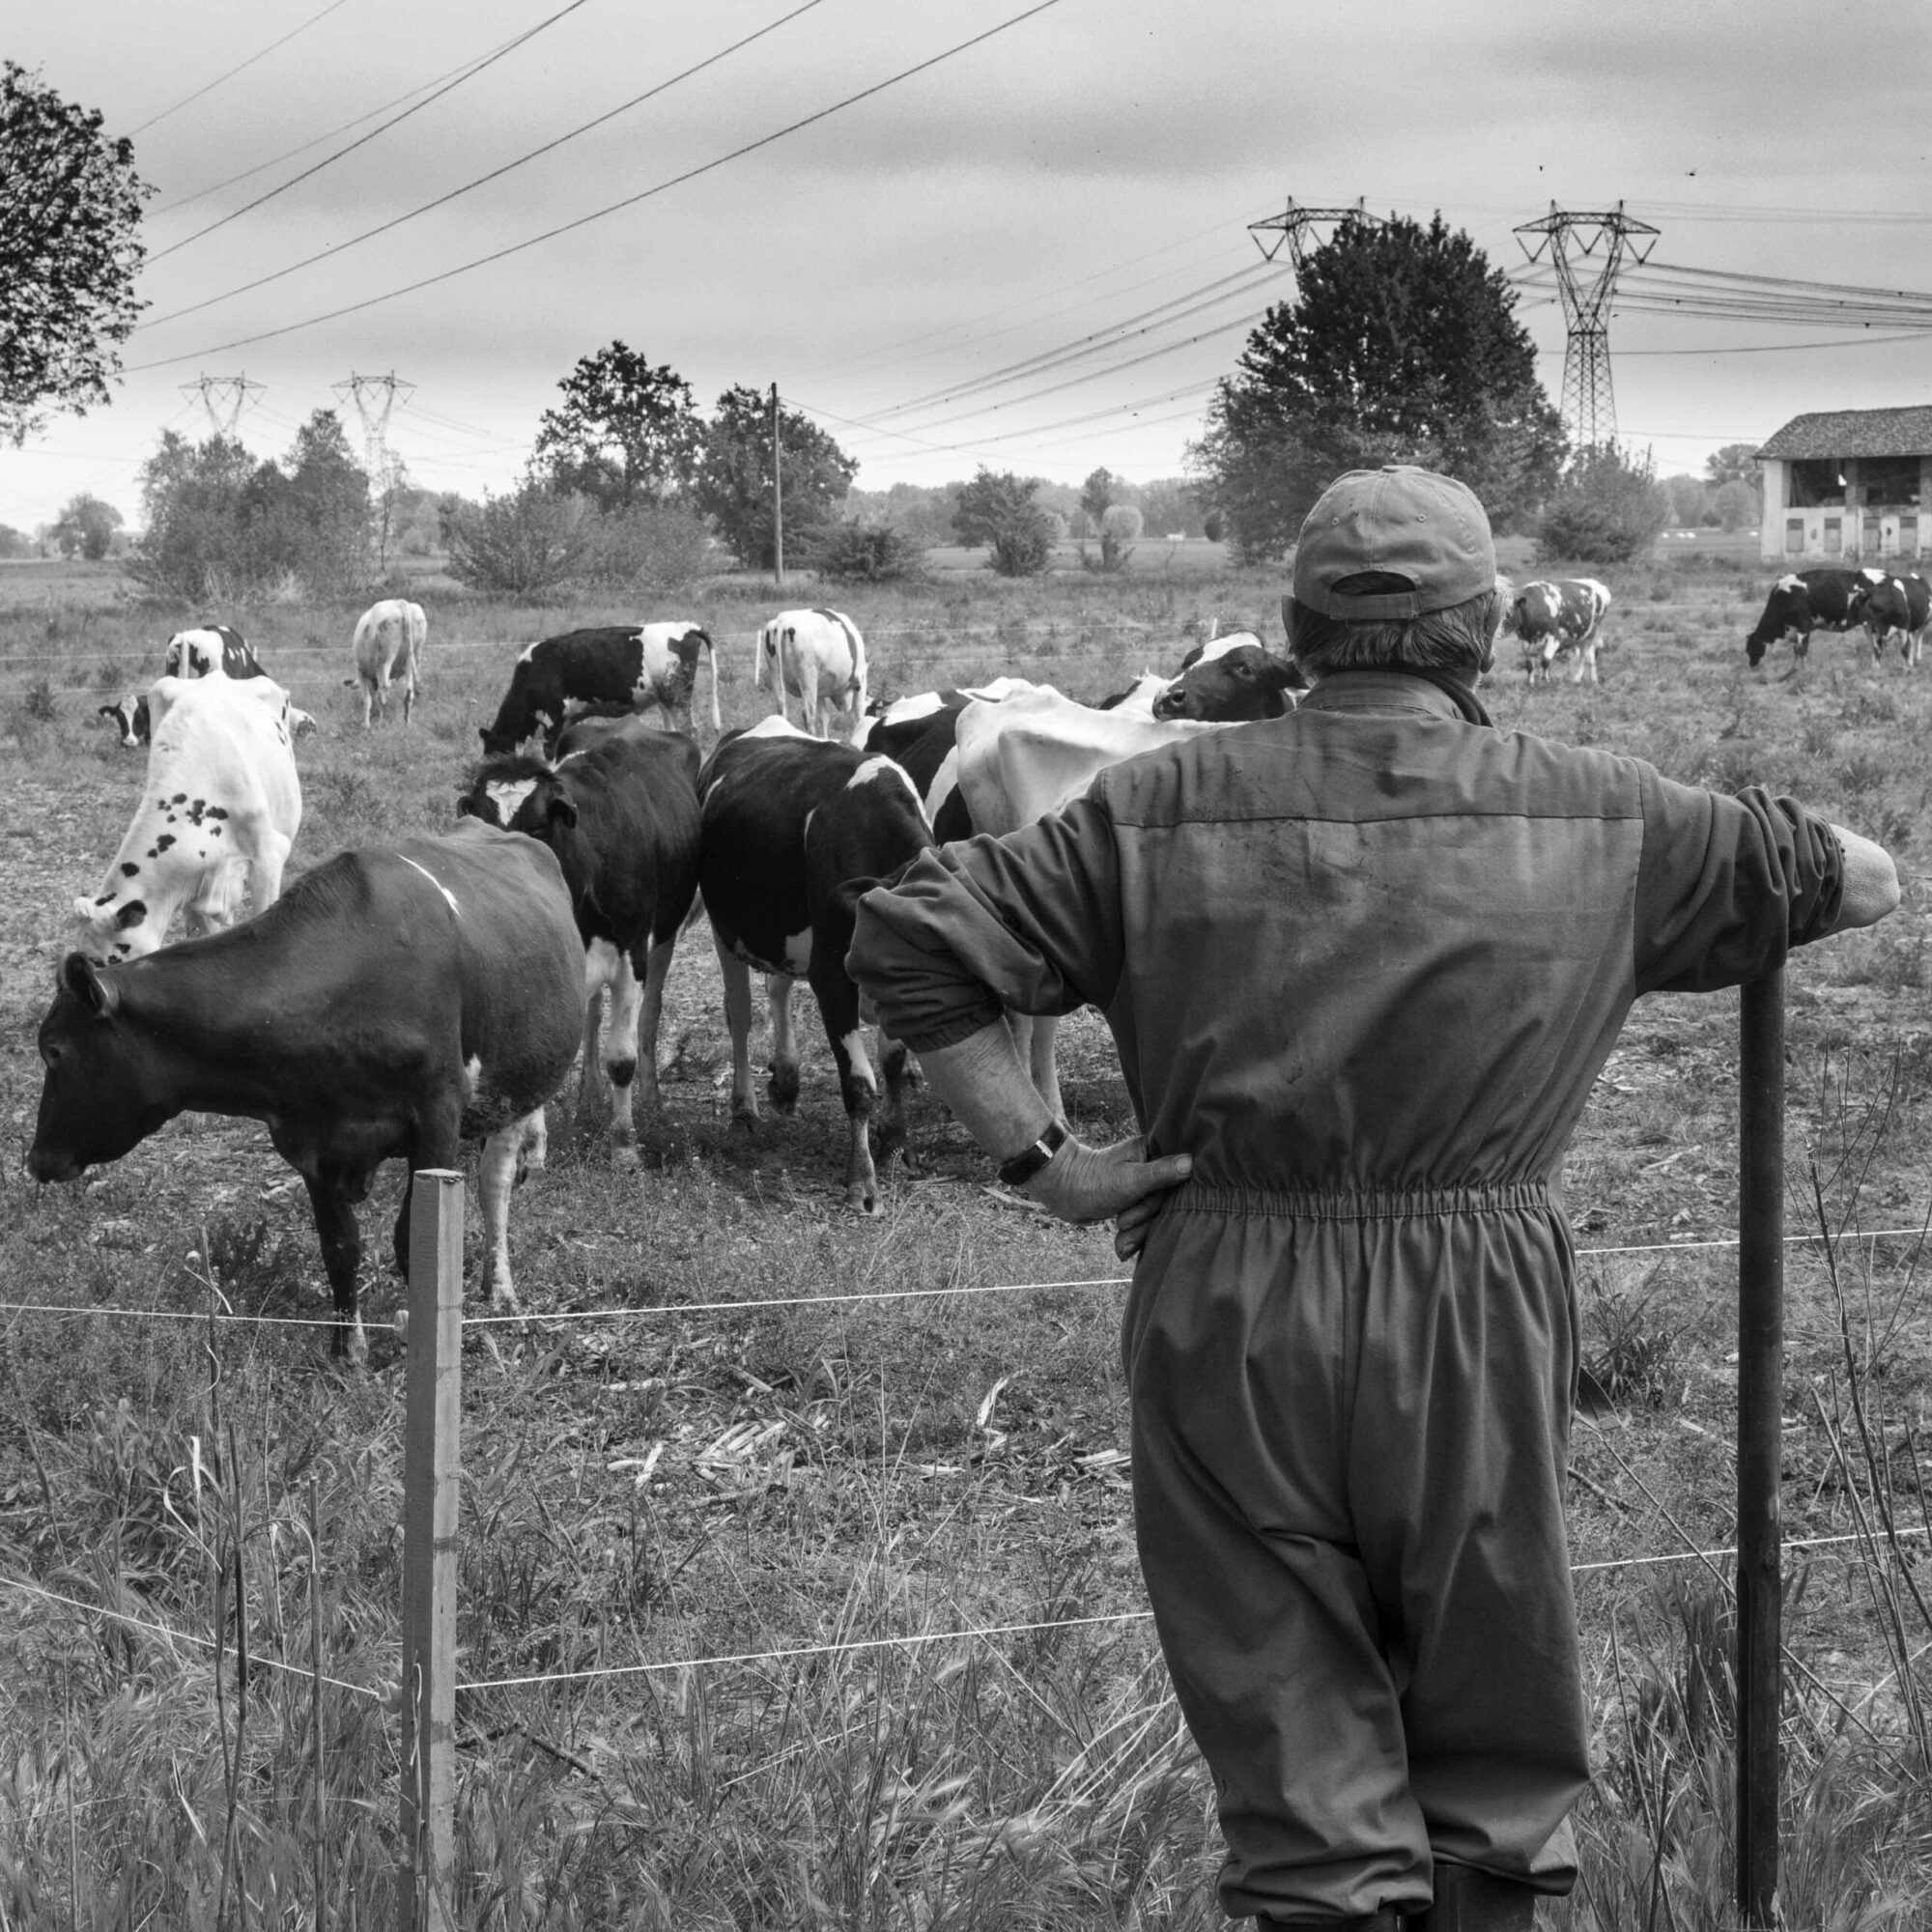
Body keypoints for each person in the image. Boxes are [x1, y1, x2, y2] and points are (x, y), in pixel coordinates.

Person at [846, 465, 1900, 1932]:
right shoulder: (1607, 817)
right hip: (1475, 1296)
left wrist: (1050, 1164)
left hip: (1224, 1298)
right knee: (1490, 1718)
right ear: (1483, 635)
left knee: (1293, 1748)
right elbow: (1865, 883)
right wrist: (1755, 844)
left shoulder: (1151, 808)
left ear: (1291, 629)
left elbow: (906, 945)